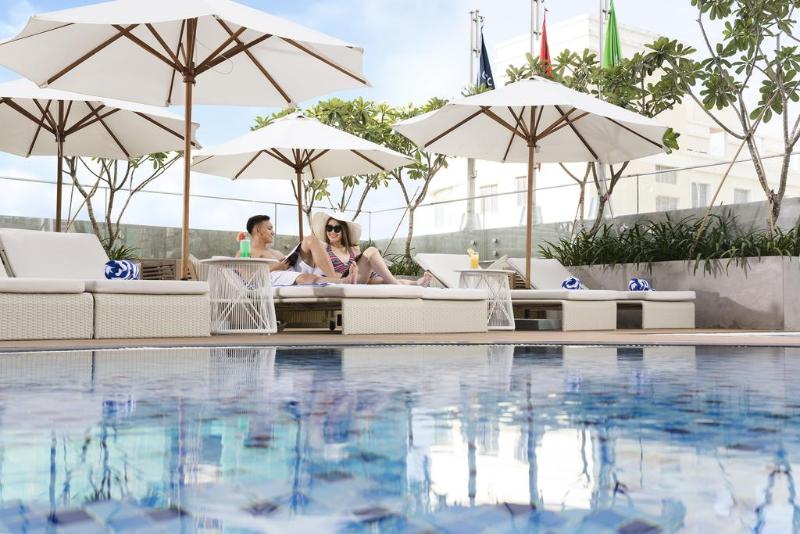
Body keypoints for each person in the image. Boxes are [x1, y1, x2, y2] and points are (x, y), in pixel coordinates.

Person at [311, 211, 432, 286]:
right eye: (329, 228)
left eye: (337, 229)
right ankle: (397, 285)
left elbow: (365, 268)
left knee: (385, 280)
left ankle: (416, 283)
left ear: (344, 231)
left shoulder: (353, 250)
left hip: (361, 278)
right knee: (372, 250)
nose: (332, 232)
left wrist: (375, 273)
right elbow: (322, 271)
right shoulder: (323, 249)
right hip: (345, 279)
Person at [239, 214, 355, 285]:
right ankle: (340, 280)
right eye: (269, 229)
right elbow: (248, 279)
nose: (273, 232)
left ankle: (339, 276)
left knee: (311, 240)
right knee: (304, 277)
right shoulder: (245, 252)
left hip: (291, 270)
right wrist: (276, 267)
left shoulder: (275, 252)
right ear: (258, 230)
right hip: (275, 276)